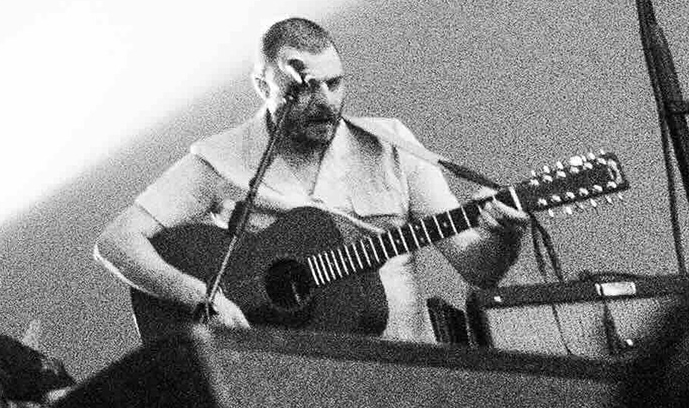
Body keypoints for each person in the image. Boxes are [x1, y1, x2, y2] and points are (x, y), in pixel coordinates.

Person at [95, 17, 519, 338]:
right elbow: (115, 242)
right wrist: (197, 296)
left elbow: (478, 269)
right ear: (263, 86)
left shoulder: (393, 145)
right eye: (303, 90)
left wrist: (505, 235)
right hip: (284, 376)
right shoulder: (219, 159)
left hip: (404, 366)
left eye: (334, 83)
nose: (324, 102)